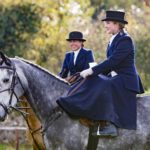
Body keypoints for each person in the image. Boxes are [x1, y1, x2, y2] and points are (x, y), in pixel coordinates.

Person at [57, 10, 144, 137]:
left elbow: (113, 61)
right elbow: (109, 64)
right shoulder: (113, 40)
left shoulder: (126, 40)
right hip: (116, 77)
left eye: (108, 23)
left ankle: (109, 125)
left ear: (116, 24)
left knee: (102, 84)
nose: (105, 25)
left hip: (126, 80)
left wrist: (92, 70)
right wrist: (91, 73)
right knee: (95, 80)